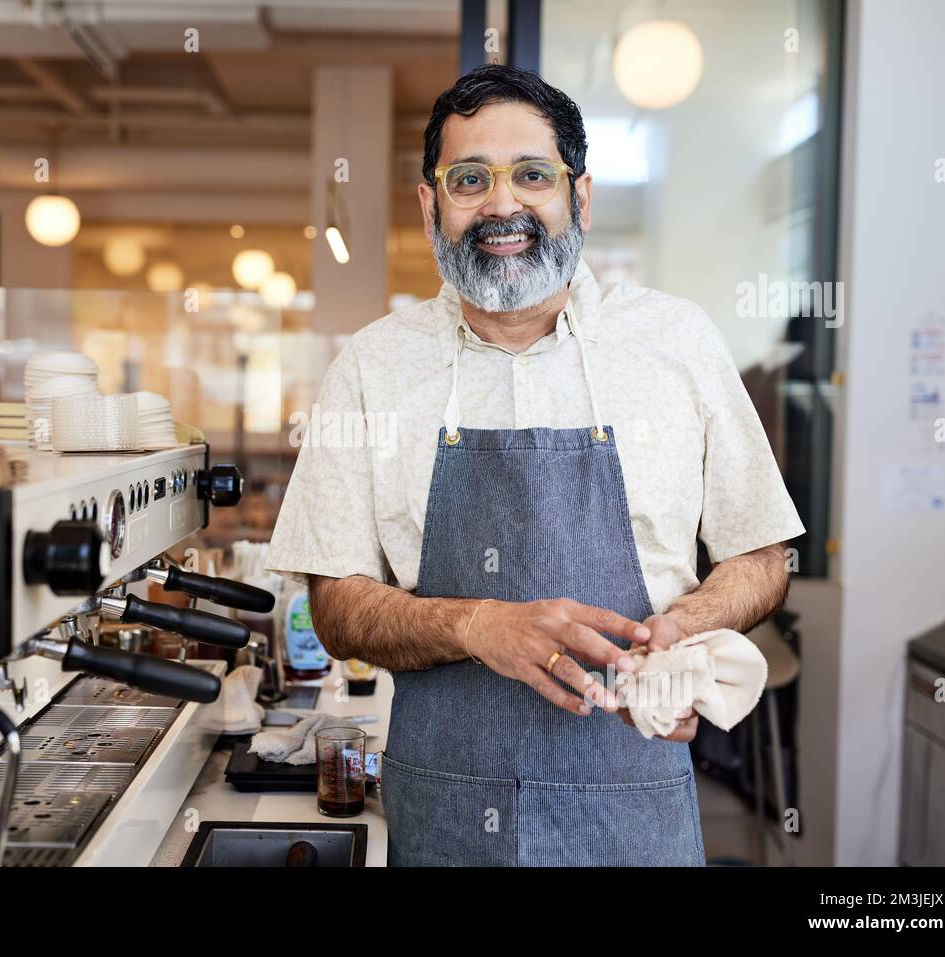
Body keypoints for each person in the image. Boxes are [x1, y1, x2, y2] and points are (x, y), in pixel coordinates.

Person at [264, 63, 805, 866]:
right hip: (445, 815)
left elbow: (761, 554)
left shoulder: (676, 344)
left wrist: (685, 628)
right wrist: (476, 625)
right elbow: (337, 607)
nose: (502, 205)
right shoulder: (372, 368)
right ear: (430, 206)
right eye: (469, 179)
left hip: (631, 811)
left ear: (579, 197)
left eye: (532, 175)